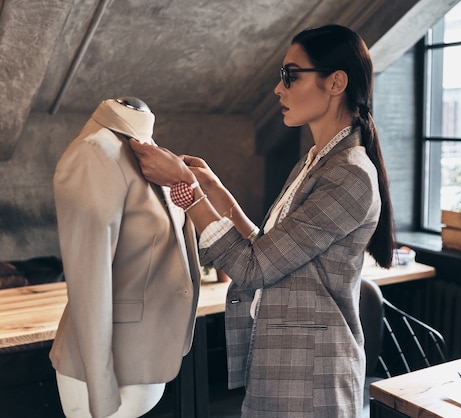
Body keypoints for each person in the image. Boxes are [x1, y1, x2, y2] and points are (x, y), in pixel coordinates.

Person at [129, 24, 395, 417]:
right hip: (285, 365)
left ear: (336, 82)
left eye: (291, 75)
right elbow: (269, 252)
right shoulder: (317, 160)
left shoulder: (349, 174)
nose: (278, 88)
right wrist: (217, 193)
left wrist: (186, 189)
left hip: (312, 378)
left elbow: (253, 268)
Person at [50, 97, 202, 418]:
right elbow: (89, 277)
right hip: (103, 374)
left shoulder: (148, 151)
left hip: (143, 357)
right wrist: (101, 390)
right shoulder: (95, 153)